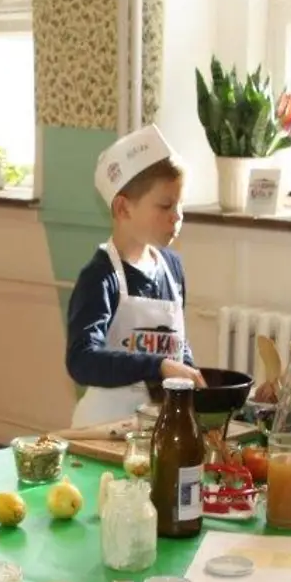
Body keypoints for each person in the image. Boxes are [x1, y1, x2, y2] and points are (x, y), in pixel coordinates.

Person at [67, 124, 203, 427]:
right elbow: (82, 360)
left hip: (157, 428)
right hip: (104, 429)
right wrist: (158, 366)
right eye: (165, 205)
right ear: (123, 208)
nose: (177, 216)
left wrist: (190, 375)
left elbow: (177, 345)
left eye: (180, 204)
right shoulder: (100, 277)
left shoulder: (172, 268)